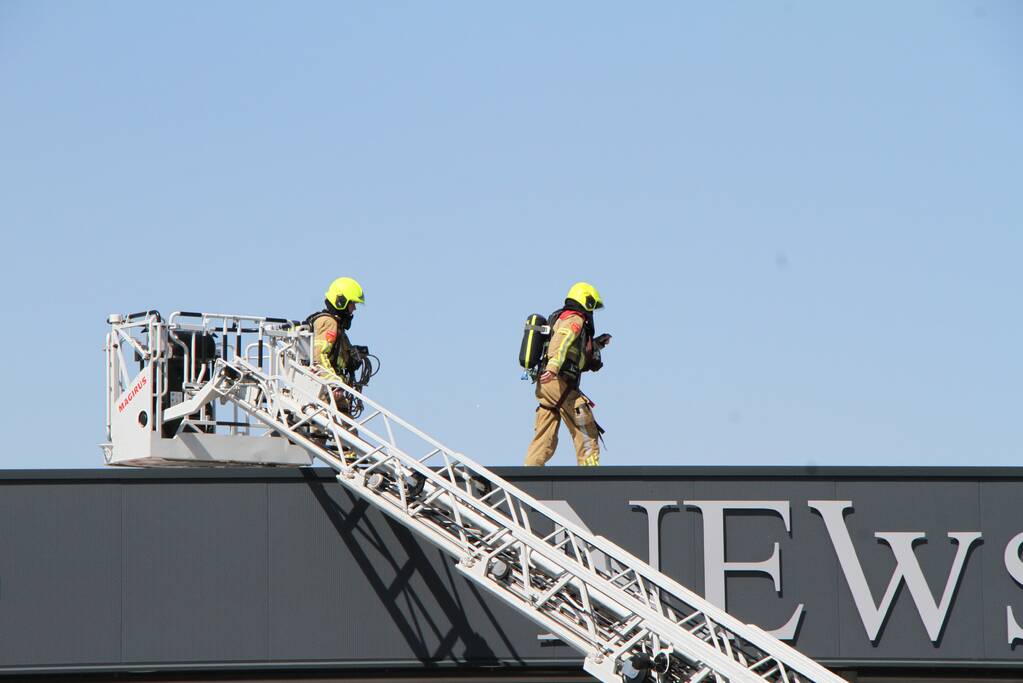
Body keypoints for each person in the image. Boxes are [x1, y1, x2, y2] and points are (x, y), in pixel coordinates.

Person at [524, 282, 611, 467]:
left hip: (547, 385)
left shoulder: (562, 317)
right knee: (585, 426)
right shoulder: (574, 319)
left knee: (544, 436)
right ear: (586, 301)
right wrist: (553, 367)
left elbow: (575, 353)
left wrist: (597, 344)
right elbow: (561, 341)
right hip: (558, 381)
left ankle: (529, 474)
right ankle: (590, 472)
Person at [304, 277, 366, 455]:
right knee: (344, 435)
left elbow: (336, 357)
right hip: (325, 389)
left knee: (342, 433)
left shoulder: (337, 326)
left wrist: (353, 357)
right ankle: (351, 459)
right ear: (341, 301)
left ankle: (350, 457)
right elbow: (319, 356)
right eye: (352, 304)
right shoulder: (329, 322)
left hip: (329, 390)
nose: (354, 309)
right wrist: (333, 383)